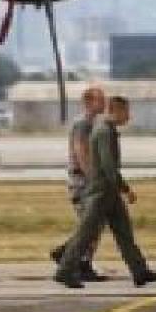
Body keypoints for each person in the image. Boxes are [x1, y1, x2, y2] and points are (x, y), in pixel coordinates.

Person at [53, 95, 156, 289]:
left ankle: (140, 272)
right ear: (116, 111)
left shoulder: (107, 130)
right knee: (85, 234)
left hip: (109, 192)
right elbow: (108, 165)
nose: (128, 116)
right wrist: (125, 188)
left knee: (124, 234)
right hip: (101, 193)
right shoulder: (104, 131)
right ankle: (64, 270)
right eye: (126, 111)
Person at [48, 86, 108, 281]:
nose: (105, 103)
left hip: (86, 181)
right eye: (100, 100)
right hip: (82, 182)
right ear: (88, 102)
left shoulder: (92, 124)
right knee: (91, 224)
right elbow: (81, 153)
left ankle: (68, 254)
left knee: (93, 224)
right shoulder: (82, 124)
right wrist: (93, 179)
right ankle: (79, 262)